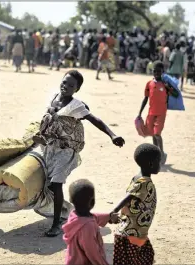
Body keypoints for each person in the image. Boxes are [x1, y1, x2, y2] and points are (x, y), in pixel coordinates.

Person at [32, 70, 125, 237]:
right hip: (51, 147)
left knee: (57, 183)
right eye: (64, 82)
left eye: (71, 85)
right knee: (49, 185)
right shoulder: (54, 97)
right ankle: (65, 213)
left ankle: (55, 225)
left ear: (77, 89)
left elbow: (95, 120)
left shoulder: (76, 106)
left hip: (67, 149)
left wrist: (112, 135)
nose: (65, 86)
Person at [112, 143, 161, 265]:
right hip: (133, 234)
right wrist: (114, 211)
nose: (160, 165)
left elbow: (130, 196)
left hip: (130, 231)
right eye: (158, 162)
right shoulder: (144, 182)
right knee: (143, 259)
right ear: (151, 164)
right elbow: (129, 197)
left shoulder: (137, 178)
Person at [62, 179, 120, 265]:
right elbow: (93, 253)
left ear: (71, 200)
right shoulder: (88, 227)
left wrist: (108, 217)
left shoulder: (74, 215)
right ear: (92, 201)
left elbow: (93, 217)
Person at [137, 62, 176, 165]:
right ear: (152, 71)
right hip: (151, 113)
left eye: (159, 71)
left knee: (157, 134)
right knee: (152, 134)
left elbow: (175, 94)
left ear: (162, 72)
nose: (156, 73)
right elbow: (145, 98)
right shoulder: (149, 84)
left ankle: (162, 153)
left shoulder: (165, 84)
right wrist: (139, 113)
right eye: (155, 71)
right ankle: (156, 155)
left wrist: (169, 87)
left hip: (161, 113)